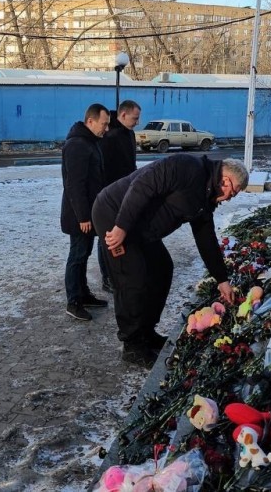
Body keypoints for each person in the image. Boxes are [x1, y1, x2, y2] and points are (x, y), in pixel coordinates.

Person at [92, 155, 249, 367]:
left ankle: (147, 332)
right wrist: (121, 226)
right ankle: (132, 345)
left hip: (142, 230)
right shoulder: (186, 167)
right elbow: (142, 185)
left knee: (162, 269)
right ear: (226, 181)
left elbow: (206, 238)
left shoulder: (205, 197)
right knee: (132, 279)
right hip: (114, 215)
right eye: (234, 193)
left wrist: (222, 279)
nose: (230, 198)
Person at [61, 103, 111, 321]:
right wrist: (82, 216)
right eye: (104, 124)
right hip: (78, 215)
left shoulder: (89, 142)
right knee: (77, 255)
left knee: (84, 254)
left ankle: (83, 294)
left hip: (88, 213)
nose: (106, 129)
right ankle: (73, 301)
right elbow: (75, 185)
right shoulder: (77, 145)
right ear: (90, 121)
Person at [96, 100, 141, 293]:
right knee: (107, 235)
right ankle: (108, 277)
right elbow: (103, 167)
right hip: (109, 194)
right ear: (123, 115)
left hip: (127, 191)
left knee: (124, 231)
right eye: (135, 118)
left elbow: (130, 162)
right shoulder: (109, 136)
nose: (138, 122)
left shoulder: (129, 133)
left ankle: (122, 271)